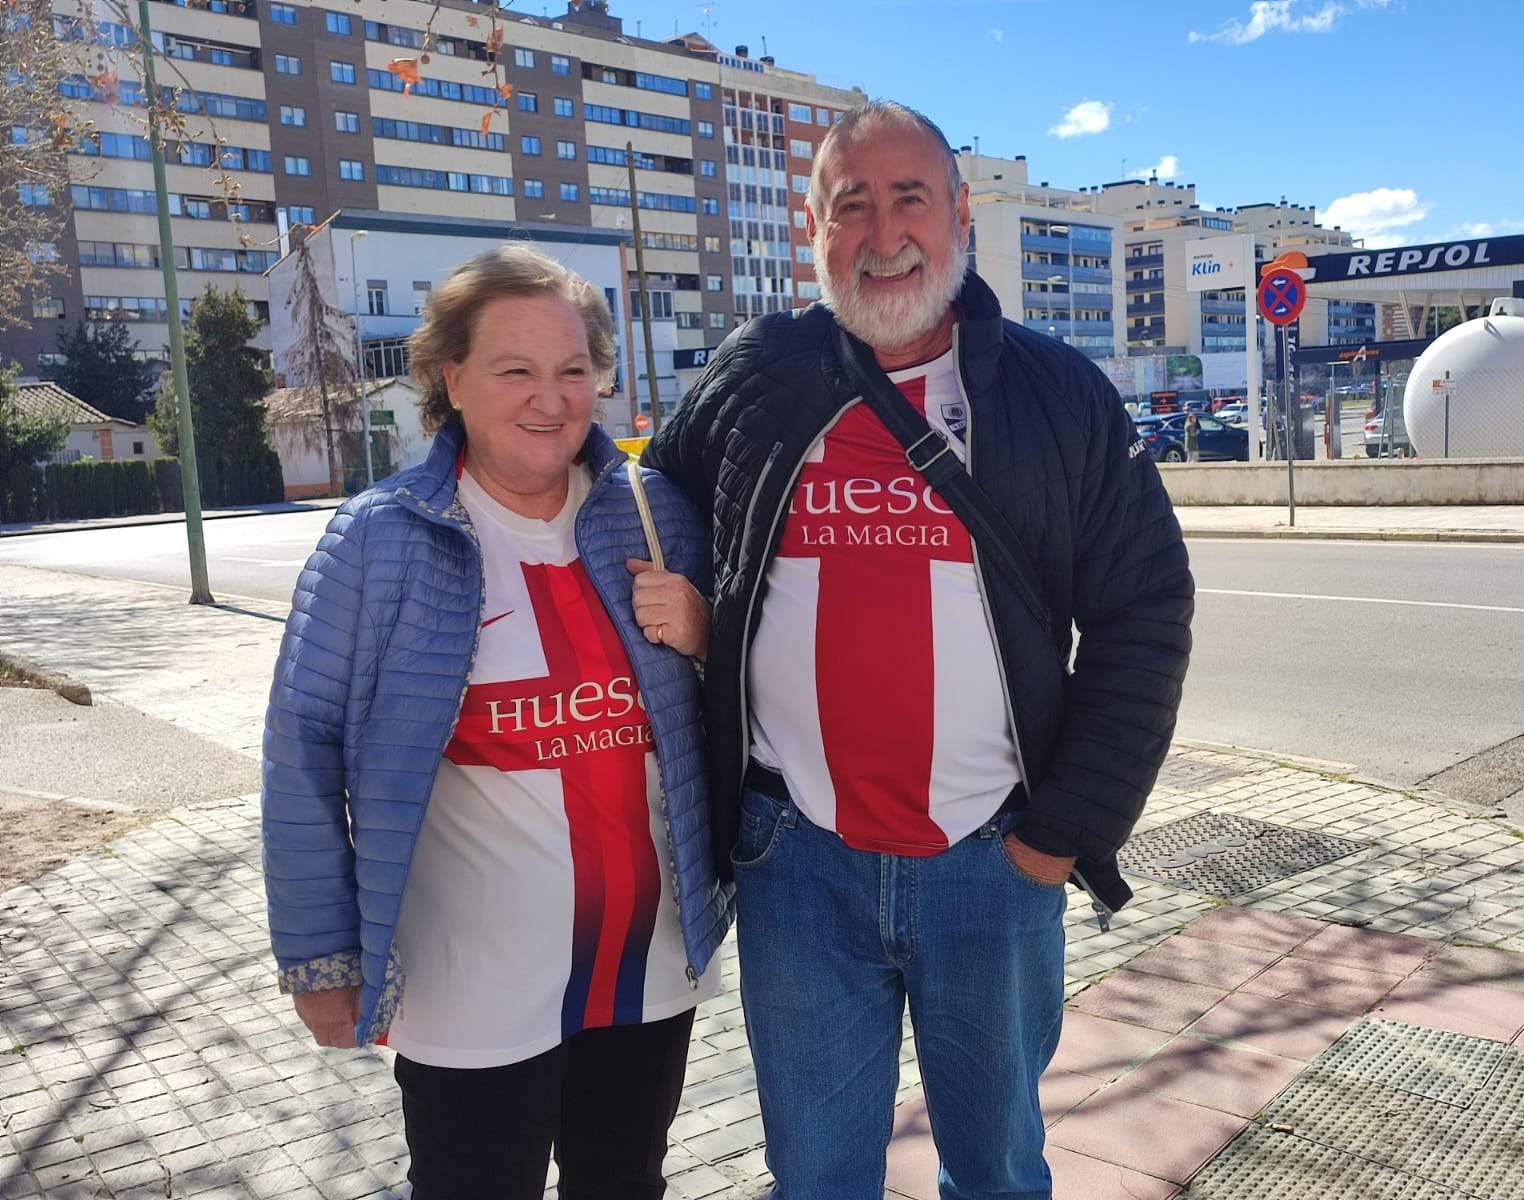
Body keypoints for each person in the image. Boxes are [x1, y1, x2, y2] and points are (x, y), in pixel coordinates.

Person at [643, 100, 1194, 1199]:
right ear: (814, 231)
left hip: (991, 868)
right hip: (796, 862)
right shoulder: (756, 378)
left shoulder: (1056, 395)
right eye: (851, 204)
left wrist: (1062, 835)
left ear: (959, 221)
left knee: (994, 1172)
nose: (882, 230)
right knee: (815, 1177)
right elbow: (653, 519)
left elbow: (1145, 612)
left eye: (909, 199)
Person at [261, 245, 732, 1199]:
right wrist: (319, 958)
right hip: (469, 979)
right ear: (453, 379)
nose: (550, 399)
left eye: (572, 372)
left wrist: (709, 634)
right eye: (515, 369)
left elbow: (748, 708)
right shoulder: (381, 539)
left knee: (624, 1183)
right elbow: (300, 749)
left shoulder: (657, 517)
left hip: (650, 961)